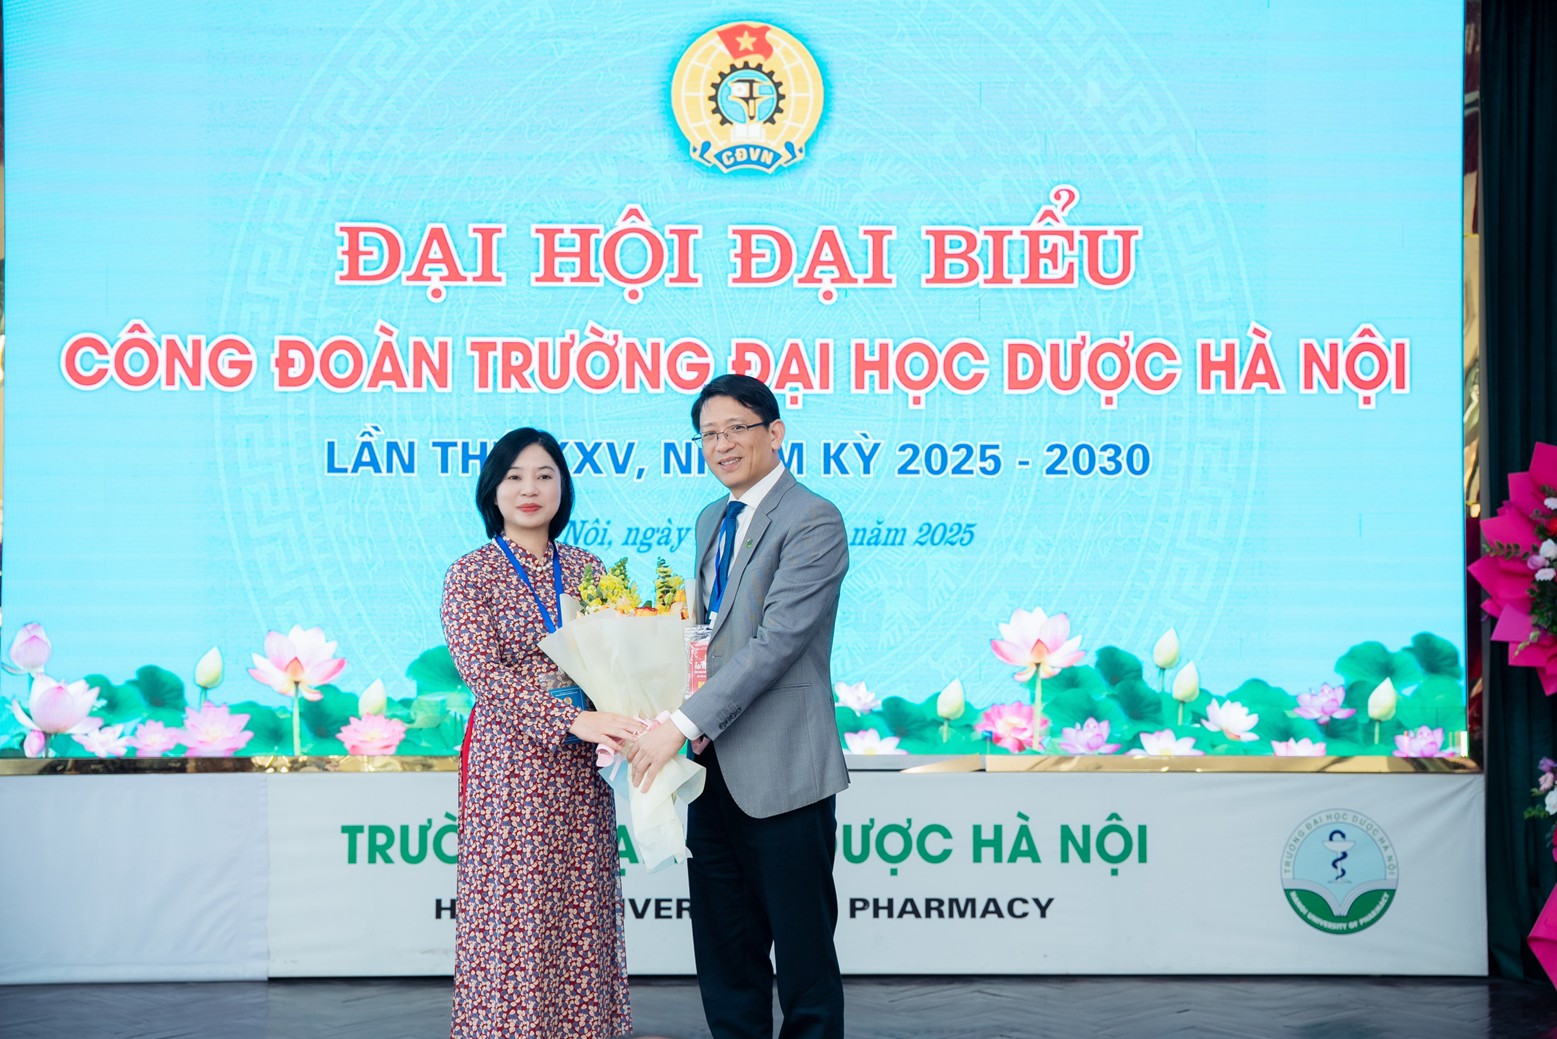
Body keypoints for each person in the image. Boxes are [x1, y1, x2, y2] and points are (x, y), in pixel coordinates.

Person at [628, 375, 850, 1039]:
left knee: (803, 957)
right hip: (708, 767)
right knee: (725, 953)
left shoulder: (812, 518)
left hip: (782, 768)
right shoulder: (710, 519)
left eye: (735, 429)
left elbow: (776, 641)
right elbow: (707, 638)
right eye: (708, 435)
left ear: (774, 433)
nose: (721, 445)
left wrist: (680, 723)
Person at [444, 427, 642, 1039]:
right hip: (512, 769)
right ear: (493, 491)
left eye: (544, 475)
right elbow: (485, 677)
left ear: (563, 488)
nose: (530, 489)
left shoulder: (589, 569)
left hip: (585, 768)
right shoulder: (470, 574)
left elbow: (619, 661)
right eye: (514, 477)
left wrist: (633, 714)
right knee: (514, 918)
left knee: (581, 912)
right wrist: (571, 719)